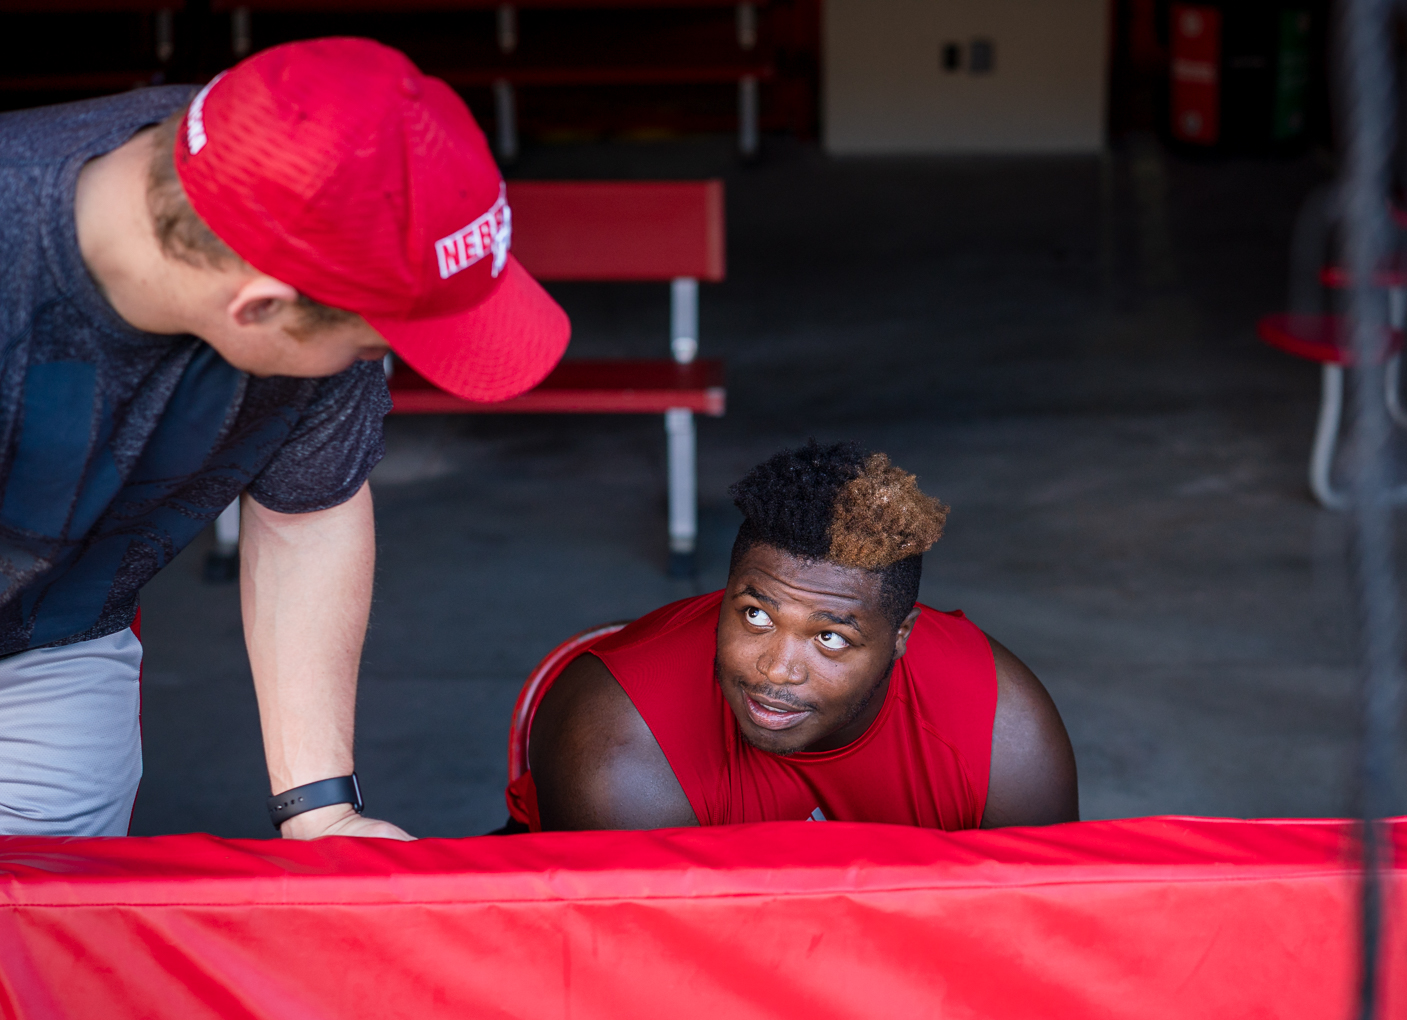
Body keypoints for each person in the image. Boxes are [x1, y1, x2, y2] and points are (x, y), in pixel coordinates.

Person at [0, 39, 570, 838]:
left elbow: (309, 512)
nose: (381, 365)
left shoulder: (311, 200)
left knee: (41, 936)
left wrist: (321, 811)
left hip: (57, 627)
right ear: (257, 307)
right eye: (374, 347)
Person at [515, 441, 1079, 831]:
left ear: (903, 634)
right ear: (727, 590)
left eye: (830, 638)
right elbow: (633, 976)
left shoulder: (1003, 738)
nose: (777, 670)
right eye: (756, 615)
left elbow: (1034, 941)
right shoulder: (616, 746)